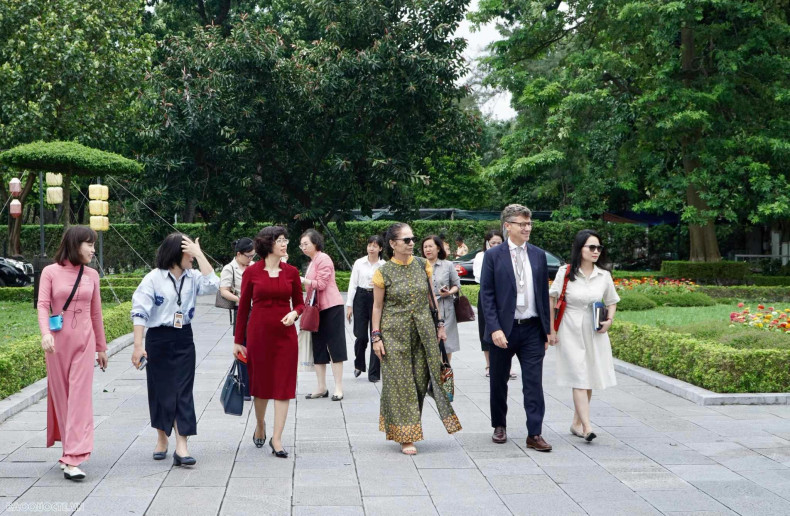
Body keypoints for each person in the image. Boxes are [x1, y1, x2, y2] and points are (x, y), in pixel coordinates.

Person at [371, 223, 462, 455]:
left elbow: (432, 299)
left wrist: (440, 325)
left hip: (424, 333)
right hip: (393, 335)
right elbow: (377, 307)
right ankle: (406, 436)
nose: (412, 243)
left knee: (421, 383)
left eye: (413, 239)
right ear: (392, 244)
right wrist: (376, 337)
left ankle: (407, 427)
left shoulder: (423, 266)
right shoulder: (383, 273)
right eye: (407, 240)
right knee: (402, 386)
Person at [131, 233, 219, 467]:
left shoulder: (193, 277)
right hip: (158, 338)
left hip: (183, 337)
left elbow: (213, 285)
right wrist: (138, 346)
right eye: (189, 252)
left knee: (182, 391)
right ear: (176, 254)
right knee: (161, 390)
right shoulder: (153, 279)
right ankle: (162, 437)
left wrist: (200, 254)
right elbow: (139, 312)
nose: (192, 258)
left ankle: (182, 446)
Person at [479, 204, 553, 452]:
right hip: (504, 329)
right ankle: (499, 425)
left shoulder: (538, 255)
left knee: (533, 383)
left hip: (532, 328)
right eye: (522, 224)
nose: (527, 228)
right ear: (507, 226)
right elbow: (486, 296)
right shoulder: (493, 256)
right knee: (499, 380)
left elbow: (543, 294)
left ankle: (535, 433)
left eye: (529, 224)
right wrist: (494, 329)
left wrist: (547, 330)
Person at [37, 226, 108, 481]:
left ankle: (74, 457)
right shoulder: (50, 272)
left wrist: (101, 347)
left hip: (84, 344)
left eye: (93, 244)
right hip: (56, 345)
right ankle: (69, 451)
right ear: (74, 244)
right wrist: (45, 332)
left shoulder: (92, 275)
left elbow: (96, 313)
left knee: (79, 398)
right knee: (63, 397)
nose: (92, 249)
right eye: (88, 244)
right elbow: (43, 305)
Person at [234, 227, 305, 458]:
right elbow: (243, 309)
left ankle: (277, 438)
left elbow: (300, 303)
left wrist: (295, 314)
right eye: (279, 240)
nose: (284, 244)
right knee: (261, 386)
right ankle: (260, 423)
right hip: (259, 334)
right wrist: (237, 341)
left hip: (285, 336)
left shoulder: (292, 272)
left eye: (285, 239)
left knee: (283, 386)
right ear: (268, 244)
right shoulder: (251, 272)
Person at [549, 229, 619, 442]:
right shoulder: (566, 272)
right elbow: (552, 301)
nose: (596, 251)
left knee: (588, 376)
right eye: (591, 247)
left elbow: (612, 300)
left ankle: (576, 422)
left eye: (599, 247)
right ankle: (587, 427)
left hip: (594, 328)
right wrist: (551, 331)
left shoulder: (603, 275)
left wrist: (609, 321)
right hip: (570, 326)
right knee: (579, 376)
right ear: (580, 249)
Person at [300, 229, 347, 401]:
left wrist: (303, 280)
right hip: (316, 309)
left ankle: (338, 388)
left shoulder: (323, 258)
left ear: (315, 243)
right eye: (301, 245)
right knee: (318, 347)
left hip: (331, 307)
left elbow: (321, 284)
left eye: (306, 244)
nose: (303, 247)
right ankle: (321, 387)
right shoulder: (312, 262)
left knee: (334, 346)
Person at [219, 237, 255, 400]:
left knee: (257, 348)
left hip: (257, 310)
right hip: (242, 310)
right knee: (243, 348)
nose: (250, 259)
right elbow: (224, 290)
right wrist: (239, 299)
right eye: (248, 256)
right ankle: (245, 388)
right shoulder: (230, 268)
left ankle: (256, 385)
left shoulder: (254, 266)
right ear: (239, 254)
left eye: (253, 256)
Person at [346, 235, 386, 382]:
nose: (371, 248)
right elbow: (353, 284)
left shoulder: (384, 266)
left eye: (375, 246)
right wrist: (349, 305)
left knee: (375, 335)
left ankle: (374, 373)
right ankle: (359, 364)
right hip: (361, 298)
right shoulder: (359, 263)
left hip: (377, 298)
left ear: (380, 248)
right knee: (360, 335)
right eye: (369, 245)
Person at [421, 235, 461, 362]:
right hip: (426, 309)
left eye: (430, 246)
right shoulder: (419, 266)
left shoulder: (448, 265)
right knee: (429, 344)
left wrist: (449, 292)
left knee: (446, 343)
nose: (427, 249)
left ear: (438, 248)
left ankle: (445, 371)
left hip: (445, 308)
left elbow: (457, 285)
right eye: (425, 247)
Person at [472, 229, 504, 377]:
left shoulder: (508, 255)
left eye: (499, 242)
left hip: (504, 297)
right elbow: (480, 277)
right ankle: (489, 364)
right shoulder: (481, 256)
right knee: (486, 328)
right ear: (487, 244)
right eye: (493, 243)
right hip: (487, 295)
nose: (496, 245)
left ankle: (506, 365)